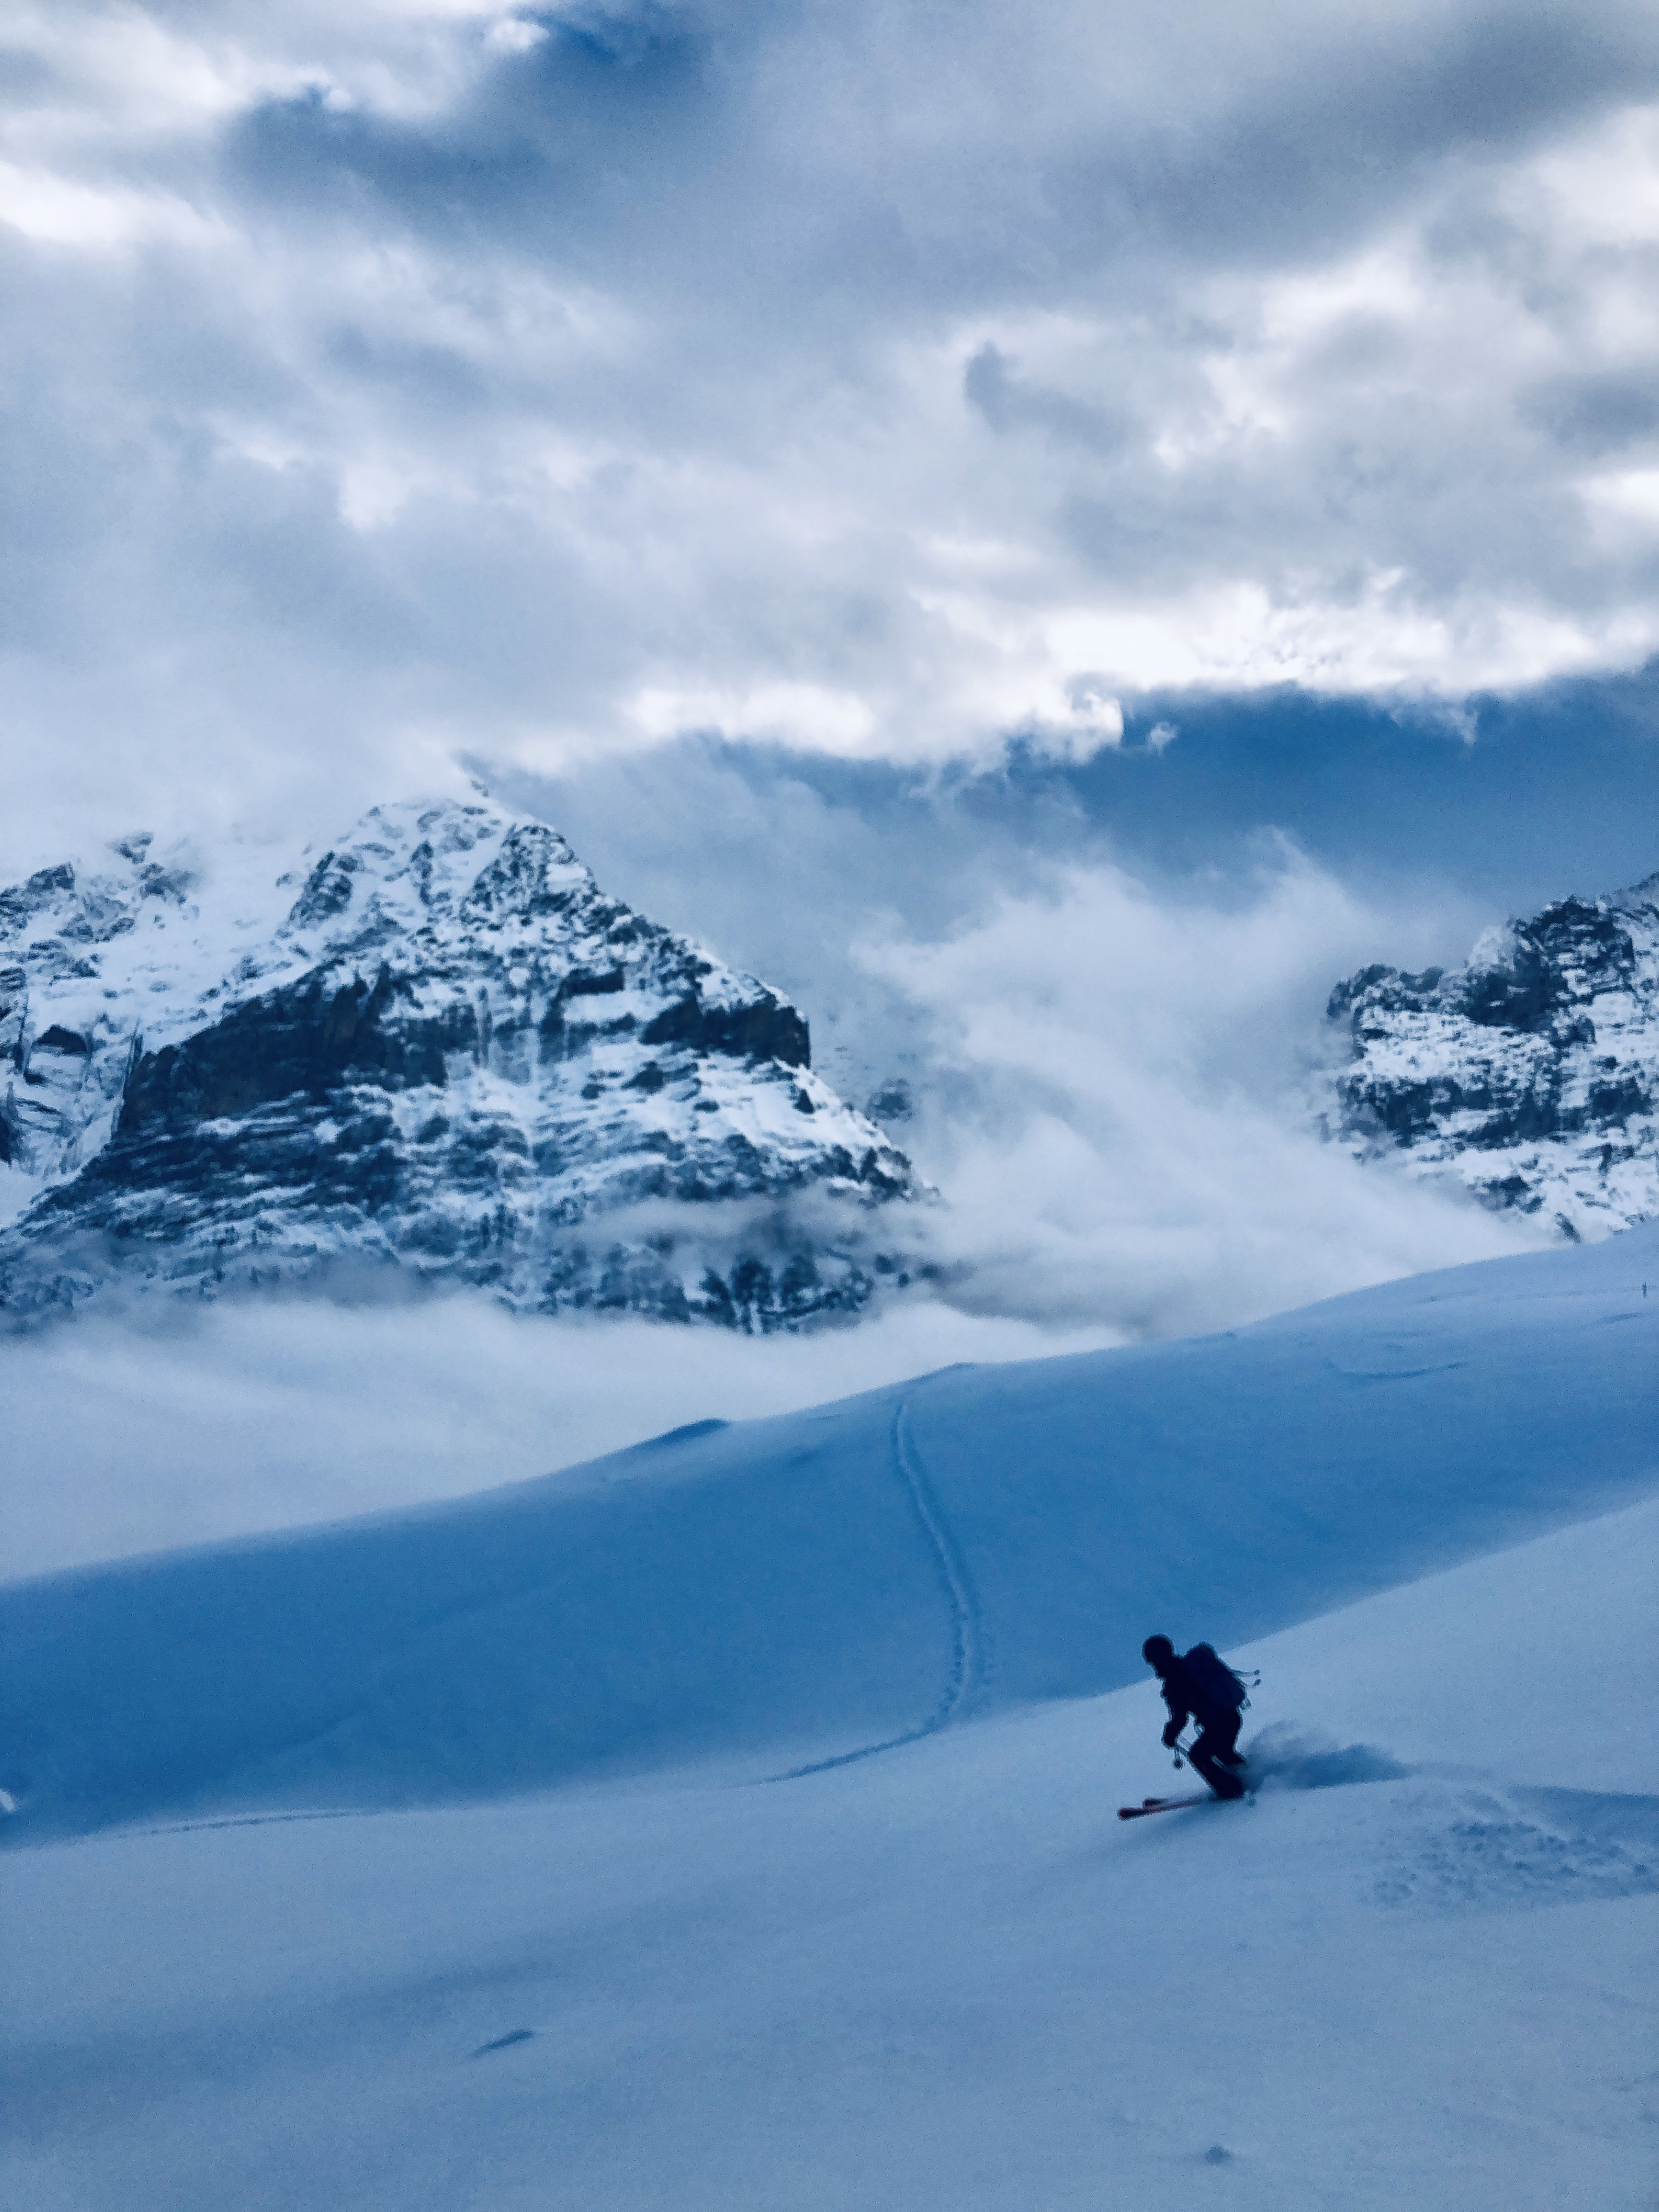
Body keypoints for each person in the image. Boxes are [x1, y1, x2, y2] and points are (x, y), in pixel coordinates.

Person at [1142, 1635, 1248, 1799]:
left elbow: (1180, 1718)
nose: (1153, 1665)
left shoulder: (1174, 1680)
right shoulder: (1187, 1668)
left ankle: (1231, 1790)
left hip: (1219, 1723)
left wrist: (1170, 1735)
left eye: (1153, 1661)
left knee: (1199, 1755)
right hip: (1231, 1717)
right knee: (1223, 1752)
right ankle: (1249, 1777)